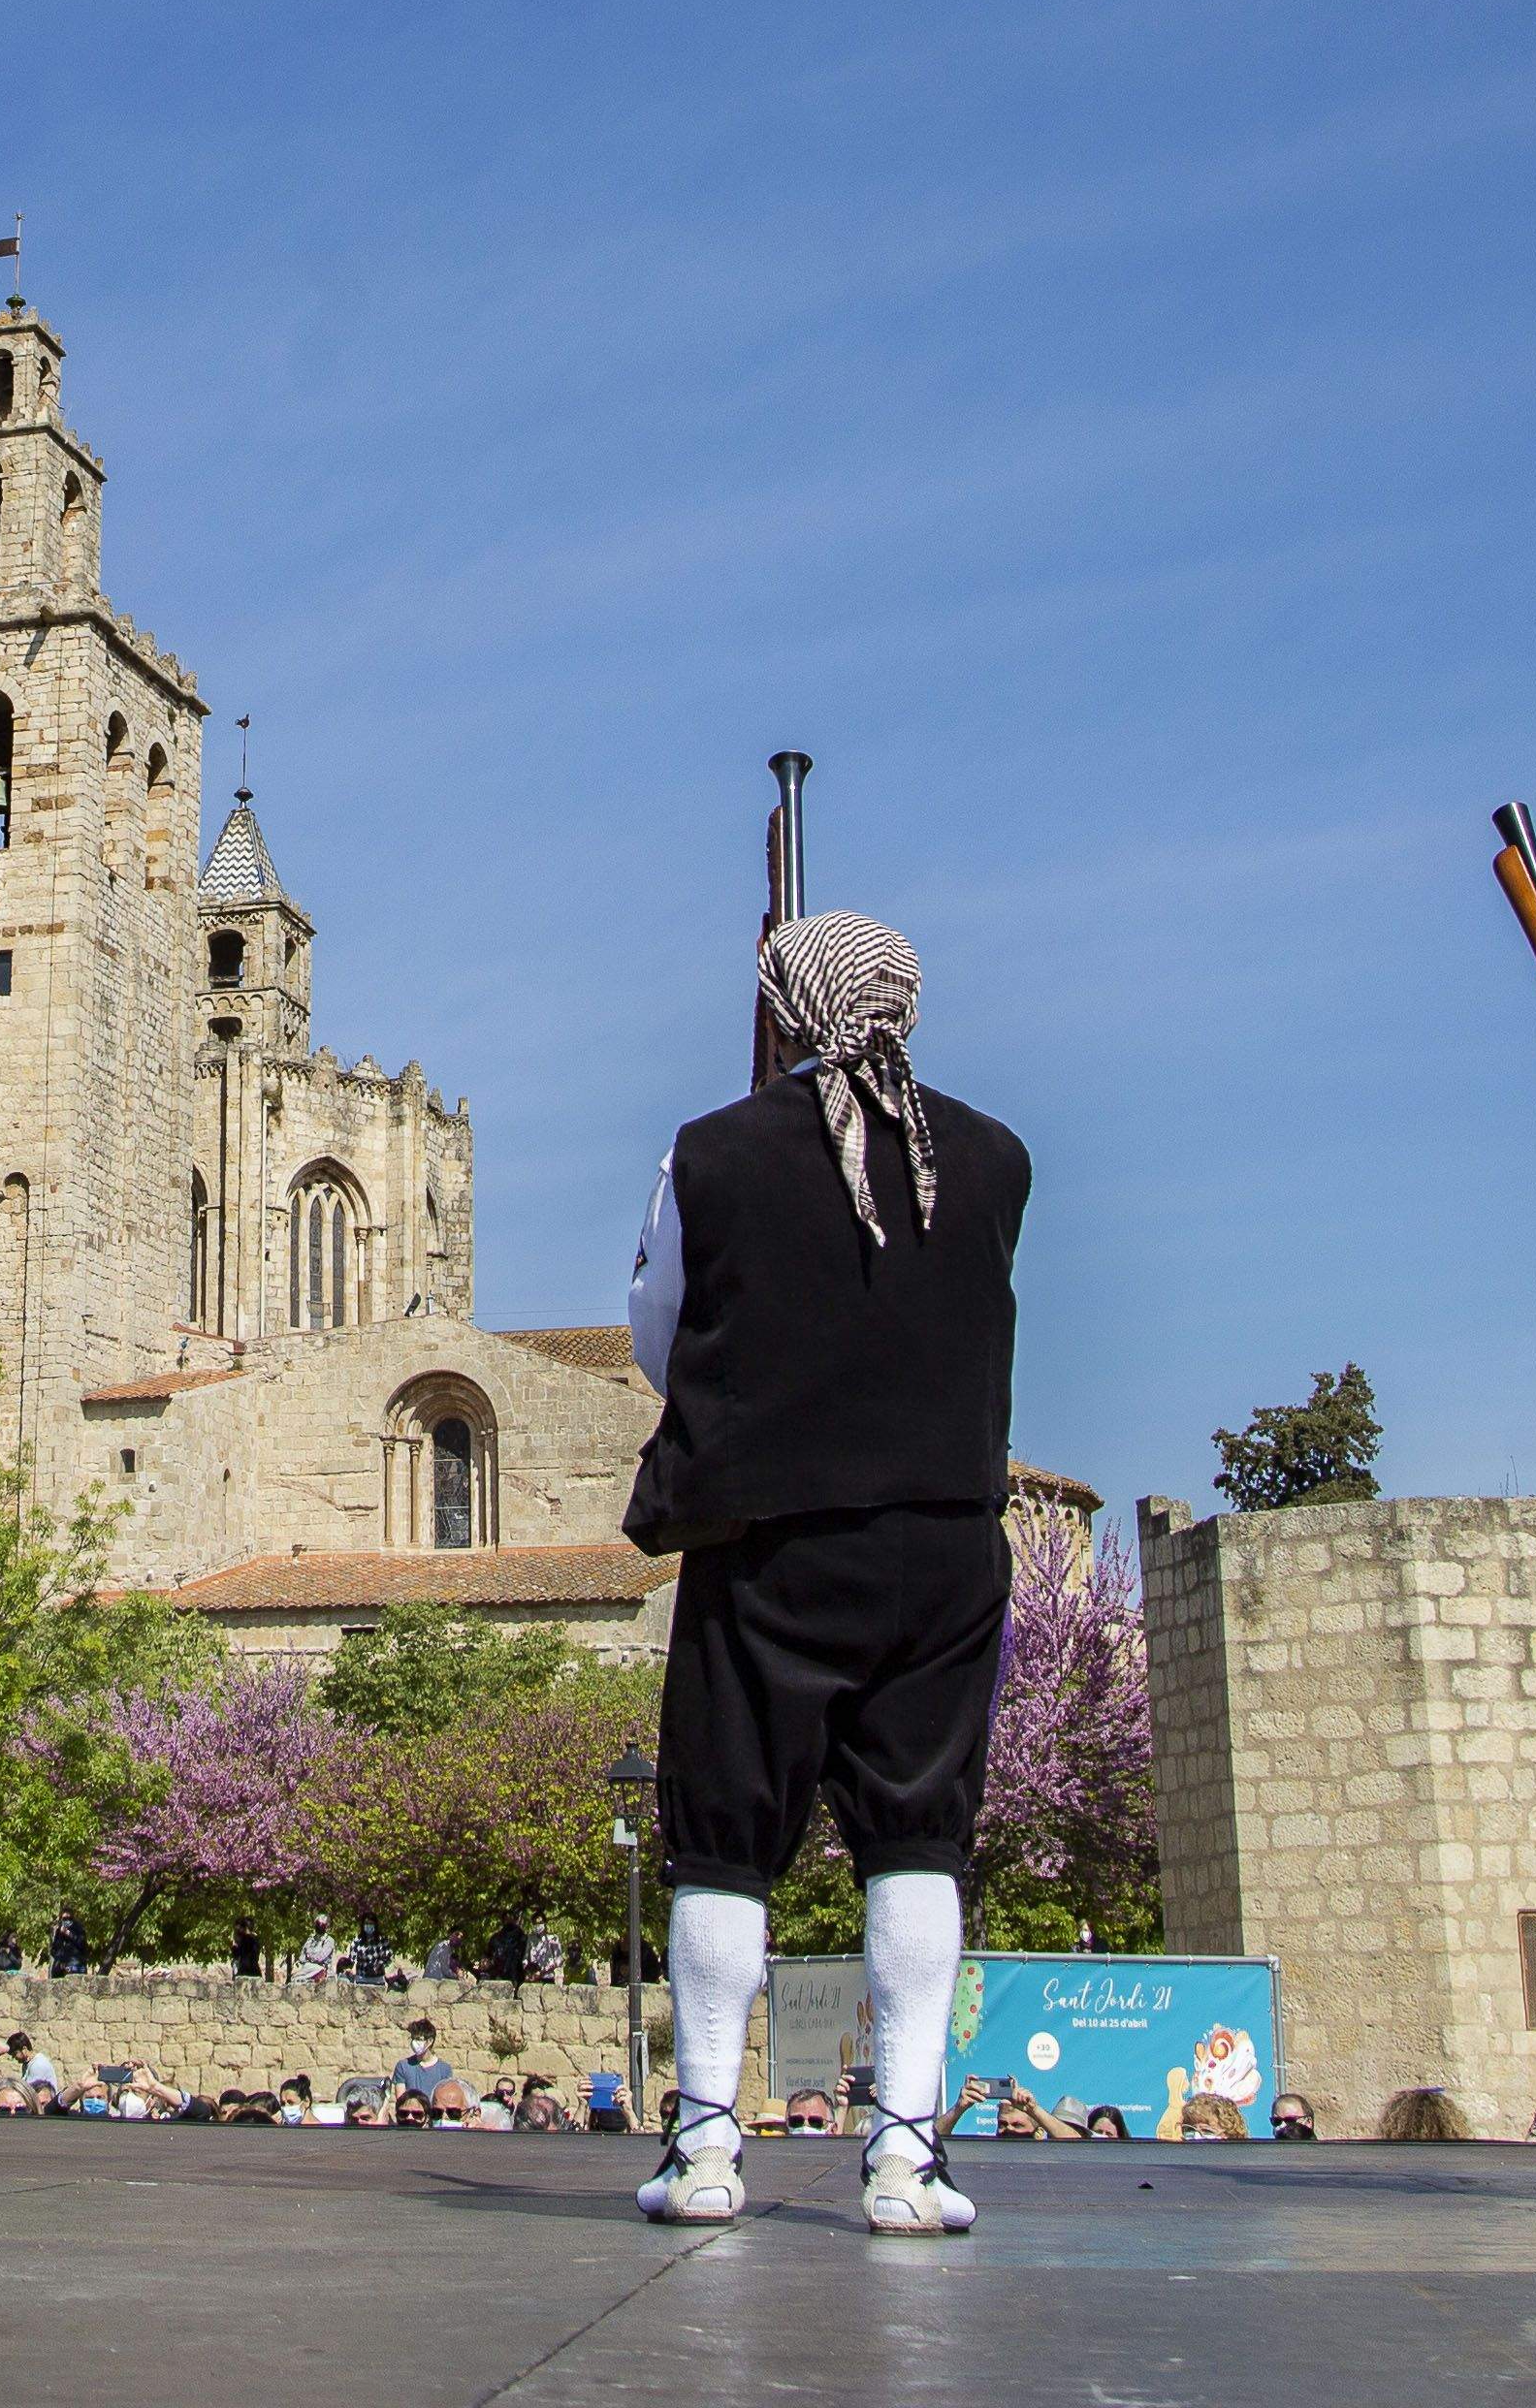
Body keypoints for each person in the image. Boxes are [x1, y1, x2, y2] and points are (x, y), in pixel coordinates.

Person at [620, 910, 1037, 2238]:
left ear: (786, 1009)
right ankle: (908, 2157)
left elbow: (658, 1331)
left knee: (724, 1845)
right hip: (945, 1541)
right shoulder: (998, 1158)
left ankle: (702, 2151)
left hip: (772, 1536)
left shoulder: (710, 1155)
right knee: (917, 1837)